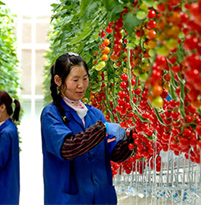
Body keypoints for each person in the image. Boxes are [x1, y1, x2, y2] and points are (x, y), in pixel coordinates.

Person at [40, 52, 135, 205]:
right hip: (70, 200)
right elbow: (68, 148)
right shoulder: (51, 114)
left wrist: (131, 140)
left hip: (103, 199)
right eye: (75, 80)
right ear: (58, 80)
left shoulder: (95, 114)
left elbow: (114, 154)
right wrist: (103, 129)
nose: (81, 85)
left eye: (85, 78)